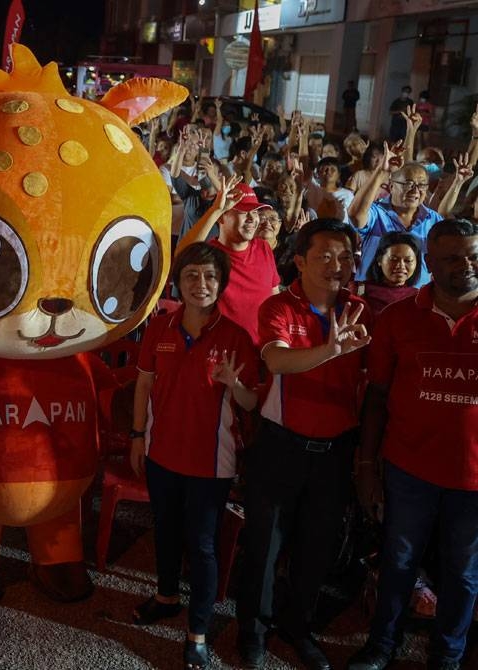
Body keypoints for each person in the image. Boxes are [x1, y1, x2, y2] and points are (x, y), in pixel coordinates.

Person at [236, 219, 371, 670]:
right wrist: (330, 351)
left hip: (334, 452)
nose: (339, 266)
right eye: (326, 256)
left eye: (347, 257)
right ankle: (253, 631)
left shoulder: (359, 309)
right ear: (299, 261)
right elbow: (274, 359)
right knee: (265, 546)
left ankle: (299, 627)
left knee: (316, 547)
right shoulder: (278, 306)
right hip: (281, 447)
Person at [348, 219, 478, 670]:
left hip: (473, 476)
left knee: (462, 574)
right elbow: (378, 397)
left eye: (473, 254)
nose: (467, 265)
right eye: (452, 258)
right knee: (398, 563)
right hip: (409, 468)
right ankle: (383, 645)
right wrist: (366, 465)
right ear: (429, 264)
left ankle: (447, 657)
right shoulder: (399, 318)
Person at [128, 243, 258, 670]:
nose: (200, 284)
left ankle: (197, 631)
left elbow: (252, 403)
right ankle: (166, 596)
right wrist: (137, 436)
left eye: (208, 277)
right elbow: (144, 387)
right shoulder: (159, 329)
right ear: (178, 283)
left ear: (220, 283)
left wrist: (232, 384)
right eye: (191, 276)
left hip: (211, 463)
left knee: (202, 546)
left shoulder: (236, 337)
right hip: (161, 452)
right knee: (164, 530)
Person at [179, 176, 279, 344]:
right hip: (222, 353)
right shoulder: (210, 255)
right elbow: (182, 255)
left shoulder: (264, 249)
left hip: (262, 351)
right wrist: (215, 210)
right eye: (242, 212)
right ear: (222, 218)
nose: (252, 219)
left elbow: (274, 297)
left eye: (254, 212)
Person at [349, 149, 443, 286]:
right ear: (391, 186)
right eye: (408, 184)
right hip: (373, 297)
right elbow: (355, 216)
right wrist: (381, 171)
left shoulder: (433, 219)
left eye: (422, 185)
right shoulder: (376, 213)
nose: (415, 190)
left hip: (415, 300)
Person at [356, 232, 422, 314]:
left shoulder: (419, 296)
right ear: (379, 260)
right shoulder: (361, 289)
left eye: (408, 261)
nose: (400, 265)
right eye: (394, 259)